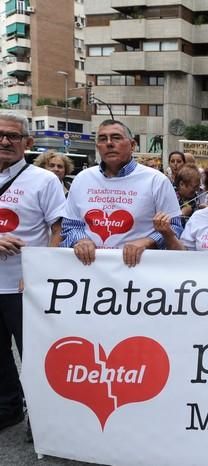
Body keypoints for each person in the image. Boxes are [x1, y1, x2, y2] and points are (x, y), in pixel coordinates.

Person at [0, 111, 65, 433]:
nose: (5, 141)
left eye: (13, 136)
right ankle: (8, 409)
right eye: (0, 134)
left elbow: (59, 230)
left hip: (24, 287)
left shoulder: (44, 181)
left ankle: (41, 418)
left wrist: (41, 272)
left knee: (36, 355)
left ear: (27, 142)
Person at [61, 120, 182, 267]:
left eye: (116, 137)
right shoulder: (82, 179)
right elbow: (70, 225)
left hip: (138, 270)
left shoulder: (156, 180)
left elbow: (174, 227)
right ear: (98, 147)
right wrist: (81, 240)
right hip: (90, 269)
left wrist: (147, 242)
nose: (109, 143)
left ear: (132, 145)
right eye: (103, 139)